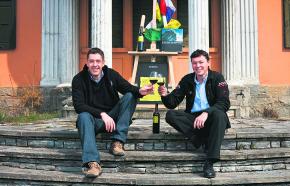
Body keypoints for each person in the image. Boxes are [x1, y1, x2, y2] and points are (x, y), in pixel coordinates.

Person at [72, 47, 153, 178]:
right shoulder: (78, 79)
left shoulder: (111, 74)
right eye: (91, 61)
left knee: (130, 96)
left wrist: (140, 91)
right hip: (94, 122)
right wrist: (102, 114)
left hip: (113, 119)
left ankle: (117, 142)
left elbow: (128, 88)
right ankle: (92, 163)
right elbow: (79, 106)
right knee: (83, 116)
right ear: (87, 63)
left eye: (98, 61)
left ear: (103, 63)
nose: (95, 65)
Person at [158, 49, 231, 178]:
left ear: (208, 62)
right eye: (195, 63)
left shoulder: (217, 78)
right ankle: (200, 139)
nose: (198, 66)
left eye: (201, 62)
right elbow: (172, 103)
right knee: (171, 115)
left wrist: (206, 113)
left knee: (220, 115)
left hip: (212, 117)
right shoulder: (187, 79)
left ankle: (210, 161)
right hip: (193, 118)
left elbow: (224, 103)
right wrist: (164, 95)